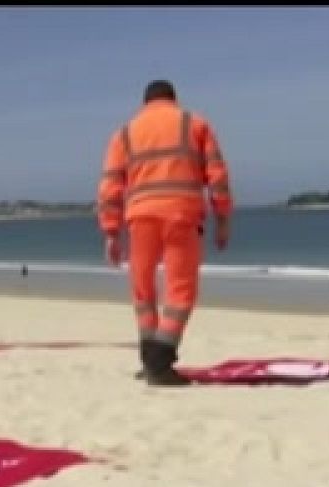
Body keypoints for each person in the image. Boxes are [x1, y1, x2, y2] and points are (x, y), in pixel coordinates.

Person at [98, 80, 233, 386]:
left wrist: (110, 232)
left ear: (145, 103)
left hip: (140, 217)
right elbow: (217, 175)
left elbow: (110, 185)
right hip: (180, 215)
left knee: (143, 291)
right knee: (180, 290)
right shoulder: (194, 124)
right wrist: (222, 217)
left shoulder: (125, 134)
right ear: (174, 99)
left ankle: (149, 360)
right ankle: (160, 361)